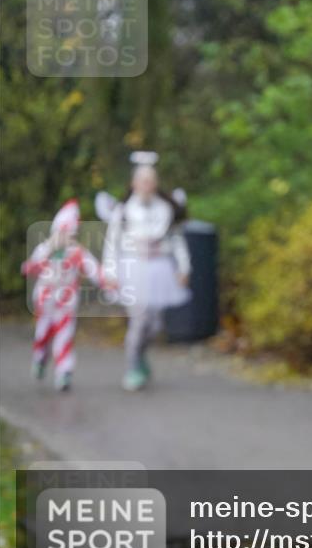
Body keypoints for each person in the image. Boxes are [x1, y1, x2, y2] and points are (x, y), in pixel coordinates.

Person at [100, 151, 191, 391]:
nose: (147, 185)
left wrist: (183, 267)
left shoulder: (166, 209)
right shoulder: (123, 212)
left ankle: (140, 355)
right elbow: (112, 242)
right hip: (133, 269)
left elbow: (177, 240)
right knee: (139, 320)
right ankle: (132, 367)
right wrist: (109, 273)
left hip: (159, 269)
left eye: (151, 181)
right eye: (143, 181)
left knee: (155, 324)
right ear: (134, 184)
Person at [22, 199, 113, 391]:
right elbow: (31, 267)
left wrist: (108, 283)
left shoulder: (77, 253)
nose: (66, 238)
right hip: (45, 301)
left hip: (66, 303)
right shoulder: (45, 249)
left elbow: (94, 271)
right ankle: (40, 358)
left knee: (64, 337)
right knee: (42, 334)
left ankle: (64, 373)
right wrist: (38, 261)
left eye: (70, 234)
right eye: (62, 233)